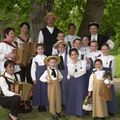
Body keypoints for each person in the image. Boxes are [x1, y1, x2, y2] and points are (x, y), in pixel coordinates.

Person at [40, 56, 64, 120]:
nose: (53, 64)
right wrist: (46, 80)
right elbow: (41, 78)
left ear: (56, 63)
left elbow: (61, 76)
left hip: (57, 86)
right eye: (51, 62)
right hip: (51, 87)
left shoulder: (57, 70)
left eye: (54, 62)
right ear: (48, 63)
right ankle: (53, 113)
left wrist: (59, 79)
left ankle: (58, 111)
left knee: (58, 98)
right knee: (52, 99)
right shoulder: (46, 71)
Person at [65, 48, 87, 116]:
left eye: (75, 54)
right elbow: (70, 72)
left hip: (80, 80)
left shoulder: (83, 62)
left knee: (80, 95)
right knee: (72, 94)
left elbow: (84, 70)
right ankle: (71, 110)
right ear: (70, 56)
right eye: (72, 55)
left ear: (78, 54)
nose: (74, 56)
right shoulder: (69, 63)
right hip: (72, 81)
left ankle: (79, 111)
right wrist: (74, 66)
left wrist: (74, 74)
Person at [98, 44, 117, 115]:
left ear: (109, 49)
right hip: (101, 77)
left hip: (108, 77)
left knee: (109, 93)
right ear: (101, 50)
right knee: (102, 93)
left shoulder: (112, 58)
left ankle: (111, 110)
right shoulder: (98, 58)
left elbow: (113, 70)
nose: (104, 50)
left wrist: (111, 81)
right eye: (103, 49)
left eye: (106, 49)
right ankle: (102, 110)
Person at [31, 43, 48, 112]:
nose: (40, 50)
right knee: (38, 90)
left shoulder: (46, 57)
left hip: (45, 76)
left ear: (43, 50)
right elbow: (33, 69)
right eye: (39, 49)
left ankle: (44, 104)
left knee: (44, 89)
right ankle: (39, 104)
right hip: (38, 76)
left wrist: (47, 76)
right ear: (36, 50)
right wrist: (34, 78)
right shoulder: (35, 59)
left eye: (41, 49)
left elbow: (48, 68)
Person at [53, 41, 68, 108]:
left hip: (65, 74)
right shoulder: (56, 57)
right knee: (58, 89)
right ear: (57, 48)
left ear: (65, 47)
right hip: (58, 74)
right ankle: (59, 103)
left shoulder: (68, 56)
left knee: (65, 89)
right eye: (59, 47)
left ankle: (65, 103)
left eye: (62, 47)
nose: (61, 48)